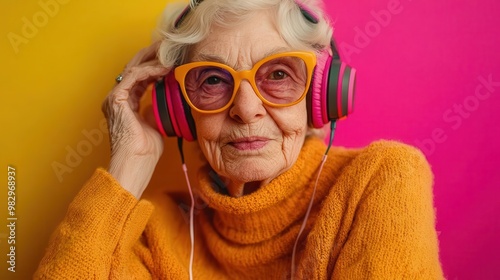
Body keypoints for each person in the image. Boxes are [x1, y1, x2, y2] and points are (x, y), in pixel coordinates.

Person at [35, 0, 444, 279]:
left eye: (280, 74)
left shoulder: (380, 180)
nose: (246, 109)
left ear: (321, 94)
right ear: (178, 109)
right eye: (212, 80)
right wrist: (128, 163)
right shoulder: (157, 230)